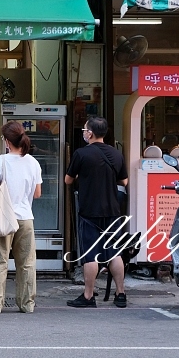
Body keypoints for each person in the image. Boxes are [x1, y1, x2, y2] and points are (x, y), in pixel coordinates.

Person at [65, 116, 129, 309]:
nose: (84, 132)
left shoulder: (81, 154)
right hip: (112, 211)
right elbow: (124, 181)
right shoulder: (116, 154)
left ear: (90, 133)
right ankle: (120, 293)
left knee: (91, 255)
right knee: (114, 253)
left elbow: (68, 180)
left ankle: (88, 296)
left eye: (85, 129)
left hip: (89, 212)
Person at [0, 121, 42, 314]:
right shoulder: (33, 163)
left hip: (3, 218)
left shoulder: (1, 161)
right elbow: (37, 193)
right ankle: (27, 304)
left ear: (7, 141)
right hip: (26, 218)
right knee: (26, 263)